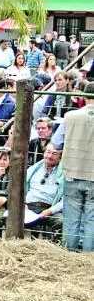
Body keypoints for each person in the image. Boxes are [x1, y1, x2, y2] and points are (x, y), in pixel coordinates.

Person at [52, 81, 94, 251]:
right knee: (91, 219)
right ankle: (88, 254)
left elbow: (55, 143)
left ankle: (69, 253)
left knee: (71, 219)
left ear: (84, 96)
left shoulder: (70, 116)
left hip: (73, 172)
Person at [25, 145, 65, 240]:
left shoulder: (64, 175)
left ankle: (54, 249)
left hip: (49, 209)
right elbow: (19, 190)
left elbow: (65, 200)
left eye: (54, 153)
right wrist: (22, 205)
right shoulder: (33, 169)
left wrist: (49, 211)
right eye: (48, 152)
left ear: (60, 158)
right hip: (27, 207)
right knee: (11, 217)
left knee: (61, 221)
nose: (50, 156)